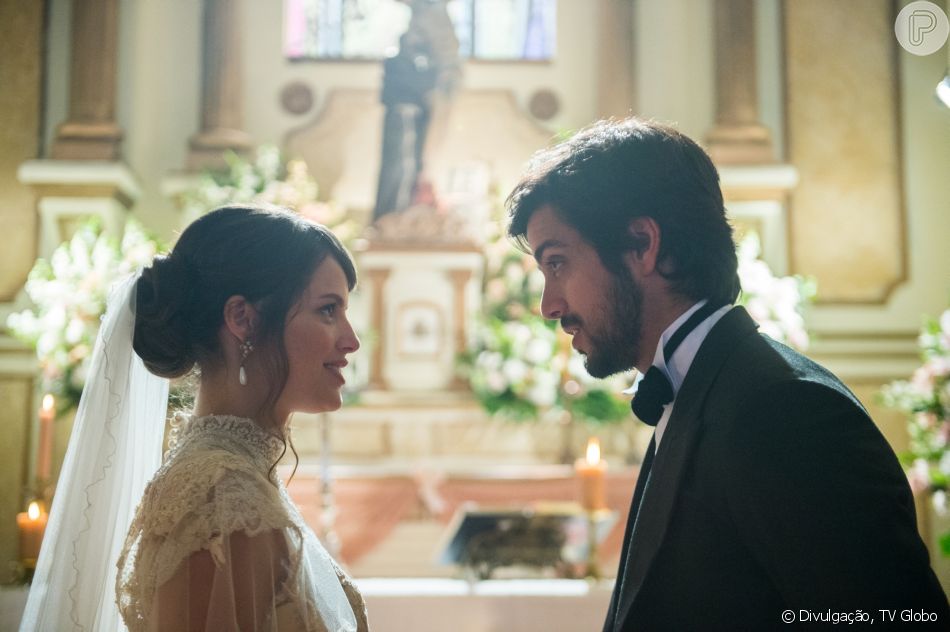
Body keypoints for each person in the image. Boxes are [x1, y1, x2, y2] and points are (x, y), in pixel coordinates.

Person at [506, 118, 949, 630]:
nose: (548, 305)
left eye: (557, 263)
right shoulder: (705, 387)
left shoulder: (786, 414)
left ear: (642, 244)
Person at [20, 205, 367, 631]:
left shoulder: (234, 479)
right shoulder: (225, 498)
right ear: (243, 319)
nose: (351, 341)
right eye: (328, 310)